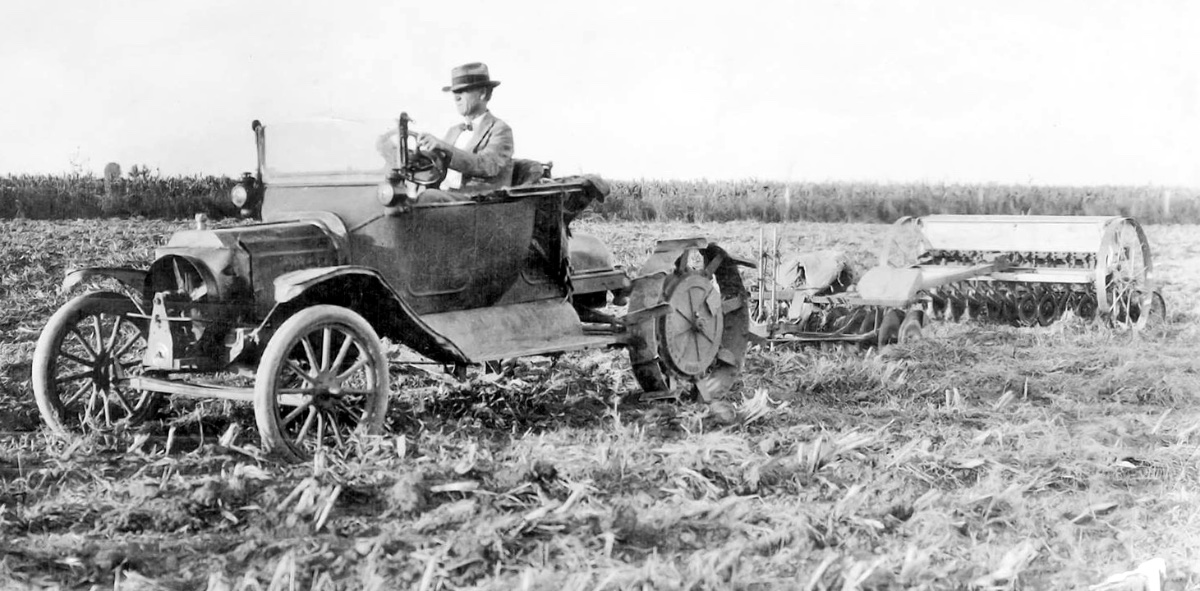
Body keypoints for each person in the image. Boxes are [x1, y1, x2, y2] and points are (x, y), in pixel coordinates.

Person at [415, 62, 515, 196]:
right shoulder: (454, 131)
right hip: (446, 196)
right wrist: (413, 157)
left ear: (482, 93)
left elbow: (488, 166)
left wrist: (445, 148)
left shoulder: (500, 130)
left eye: (462, 91)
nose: (456, 97)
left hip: (476, 200)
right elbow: (436, 165)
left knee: (427, 198)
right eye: (455, 92)